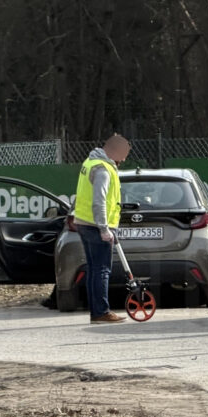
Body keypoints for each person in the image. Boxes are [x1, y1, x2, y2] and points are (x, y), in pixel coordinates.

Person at [72, 133, 131, 322]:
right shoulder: (103, 170)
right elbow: (99, 201)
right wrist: (104, 228)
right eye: (123, 155)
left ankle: (96, 311)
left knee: (93, 268)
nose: (123, 160)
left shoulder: (90, 162)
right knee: (102, 269)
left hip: (83, 222)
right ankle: (101, 311)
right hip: (95, 226)